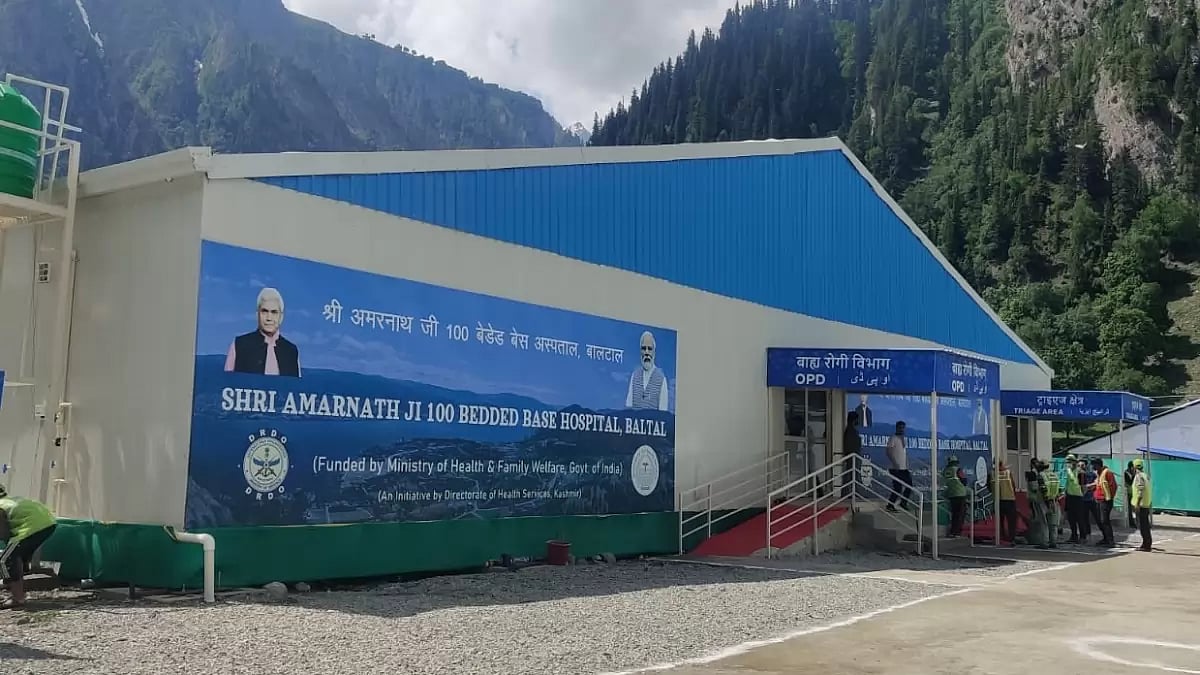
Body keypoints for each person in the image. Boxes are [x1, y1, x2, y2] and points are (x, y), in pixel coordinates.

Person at [0, 485, 57, 610]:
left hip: (31, 528)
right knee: (17, 557)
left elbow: (4, 533)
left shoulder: (1, 506)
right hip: (49, 523)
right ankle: (14, 586)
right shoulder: (10, 501)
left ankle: (17, 597)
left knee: (5, 559)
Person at [225, 287, 301, 377]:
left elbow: (297, 388)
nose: (269, 318)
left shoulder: (291, 351)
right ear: (257, 314)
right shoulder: (239, 345)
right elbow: (226, 383)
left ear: (281, 316)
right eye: (264, 311)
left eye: (274, 312)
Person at [625, 331, 669, 411]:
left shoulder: (661, 379)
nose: (646, 352)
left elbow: (663, 413)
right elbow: (628, 407)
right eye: (643, 348)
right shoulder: (634, 376)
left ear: (654, 352)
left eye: (649, 349)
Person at [1088, 457, 1117, 547]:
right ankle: (1105, 538)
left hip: (1105, 501)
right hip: (1098, 500)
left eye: (1094, 465)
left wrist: (1108, 498)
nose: (1093, 466)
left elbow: (1113, 486)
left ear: (1098, 465)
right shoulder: (1099, 473)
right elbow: (1098, 484)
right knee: (1100, 521)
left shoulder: (1107, 472)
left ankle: (1110, 541)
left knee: (1105, 521)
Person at [885, 421, 912, 513]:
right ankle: (890, 505)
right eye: (900, 428)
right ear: (897, 428)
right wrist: (895, 463)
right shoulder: (893, 438)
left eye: (903, 428)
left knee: (909, 485)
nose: (902, 429)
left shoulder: (903, 439)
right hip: (895, 468)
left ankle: (903, 502)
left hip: (903, 468)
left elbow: (904, 453)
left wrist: (907, 464)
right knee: (898, 488)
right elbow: (888, 452)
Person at [992, 460, 1018, 545]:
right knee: (1011, 520)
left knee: (1000, 520)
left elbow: (989, 485)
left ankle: (1001, 536)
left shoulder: (992, 474)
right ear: (1002, 464)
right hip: (1009, 498)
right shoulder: (1007, 472)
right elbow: (1013, 485)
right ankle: (1011, 537)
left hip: (998, 499)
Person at [1130, 458, 1153, 552]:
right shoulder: (1146, 475)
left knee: (1143, 526)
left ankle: (1146, 545)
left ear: (1134, 467)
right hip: (1146, 503)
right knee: (1145, 525)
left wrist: (1137, 504)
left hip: (1141, 504)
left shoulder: (1139, 476)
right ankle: (1147, 543)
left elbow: (1140, 490)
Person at [943, 456, 967, 538]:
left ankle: (953, 531)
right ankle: (957, 532)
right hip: (960, 494)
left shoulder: (946, 471)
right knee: (960, 514)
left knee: (954, 515)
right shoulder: (958, 470)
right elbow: (964, 481)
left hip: (951, 494)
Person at [1039, 459, 1061, 548]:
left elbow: (1043, 488)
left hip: (1045, 502)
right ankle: (1053, 542)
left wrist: (1047, 500)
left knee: (1044, 523)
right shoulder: (1054, 475)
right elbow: (1059, 489)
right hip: (1054, 501)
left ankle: (1044, 542)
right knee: (1053, 523)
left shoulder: (1041, 475)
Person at [1063, 454, 1084, 544]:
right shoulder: (1068, 471)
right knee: (1071, 518)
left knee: (1079, 518)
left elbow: (1081, 484)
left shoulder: (1079, 472)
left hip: (1078, 497)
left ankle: (1083, 536)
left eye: (1069, 462)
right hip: (1069, 496)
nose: (1068, 464)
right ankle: (1074, 535)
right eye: (1067, 462)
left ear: (1074, 462)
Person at [842, 411, 862, 499]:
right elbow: (849, 445)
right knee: (851, 476)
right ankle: (850, 494)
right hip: (852, 457)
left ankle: (852, 493)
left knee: (853, 476)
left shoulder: (852, 430)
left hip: (854, 457)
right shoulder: (850, 431)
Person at [1078, 459, 1096, 543]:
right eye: (1079, 465)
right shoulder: (1078, 474)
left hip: (1091, 498)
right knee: (1084, 518)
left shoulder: (1091, 474)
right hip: (1082, 499)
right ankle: (1086, 535)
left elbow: (1096, 483)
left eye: (1082, 465)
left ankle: (1106, 536)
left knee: (1098, 517)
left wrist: (1088, 486)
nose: (1081, 467)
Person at [1123, 461, 1138, 528]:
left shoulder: (1134, 473)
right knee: (1130, 509)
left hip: (1134, 493)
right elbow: (1130, 482)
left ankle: (1136, 522)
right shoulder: (1126, 473)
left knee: (1135, 509)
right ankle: (1131, 522)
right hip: (1128, 493)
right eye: (1133, 467)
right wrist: (1134, 475)